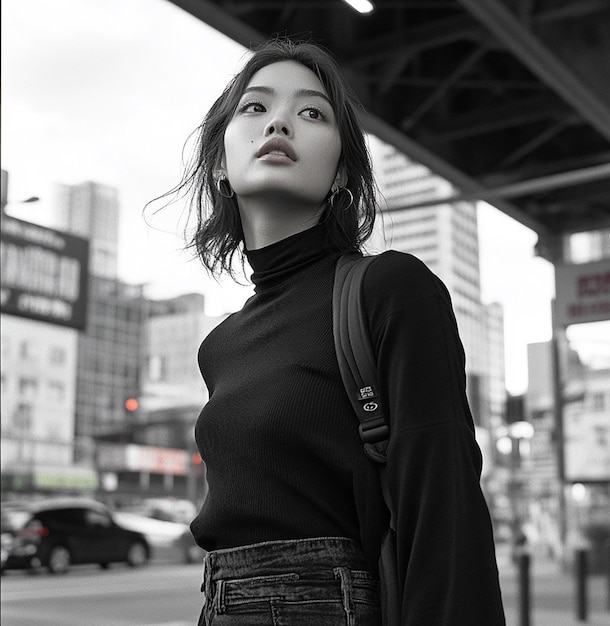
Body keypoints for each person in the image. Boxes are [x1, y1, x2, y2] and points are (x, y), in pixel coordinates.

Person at [170, 38, 505, 625]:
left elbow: (443, 510)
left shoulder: (391, 288)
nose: (278, 121)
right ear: (221, 162)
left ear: (342, 171)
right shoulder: (221, 344)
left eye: (311, 113)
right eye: (254, 108)